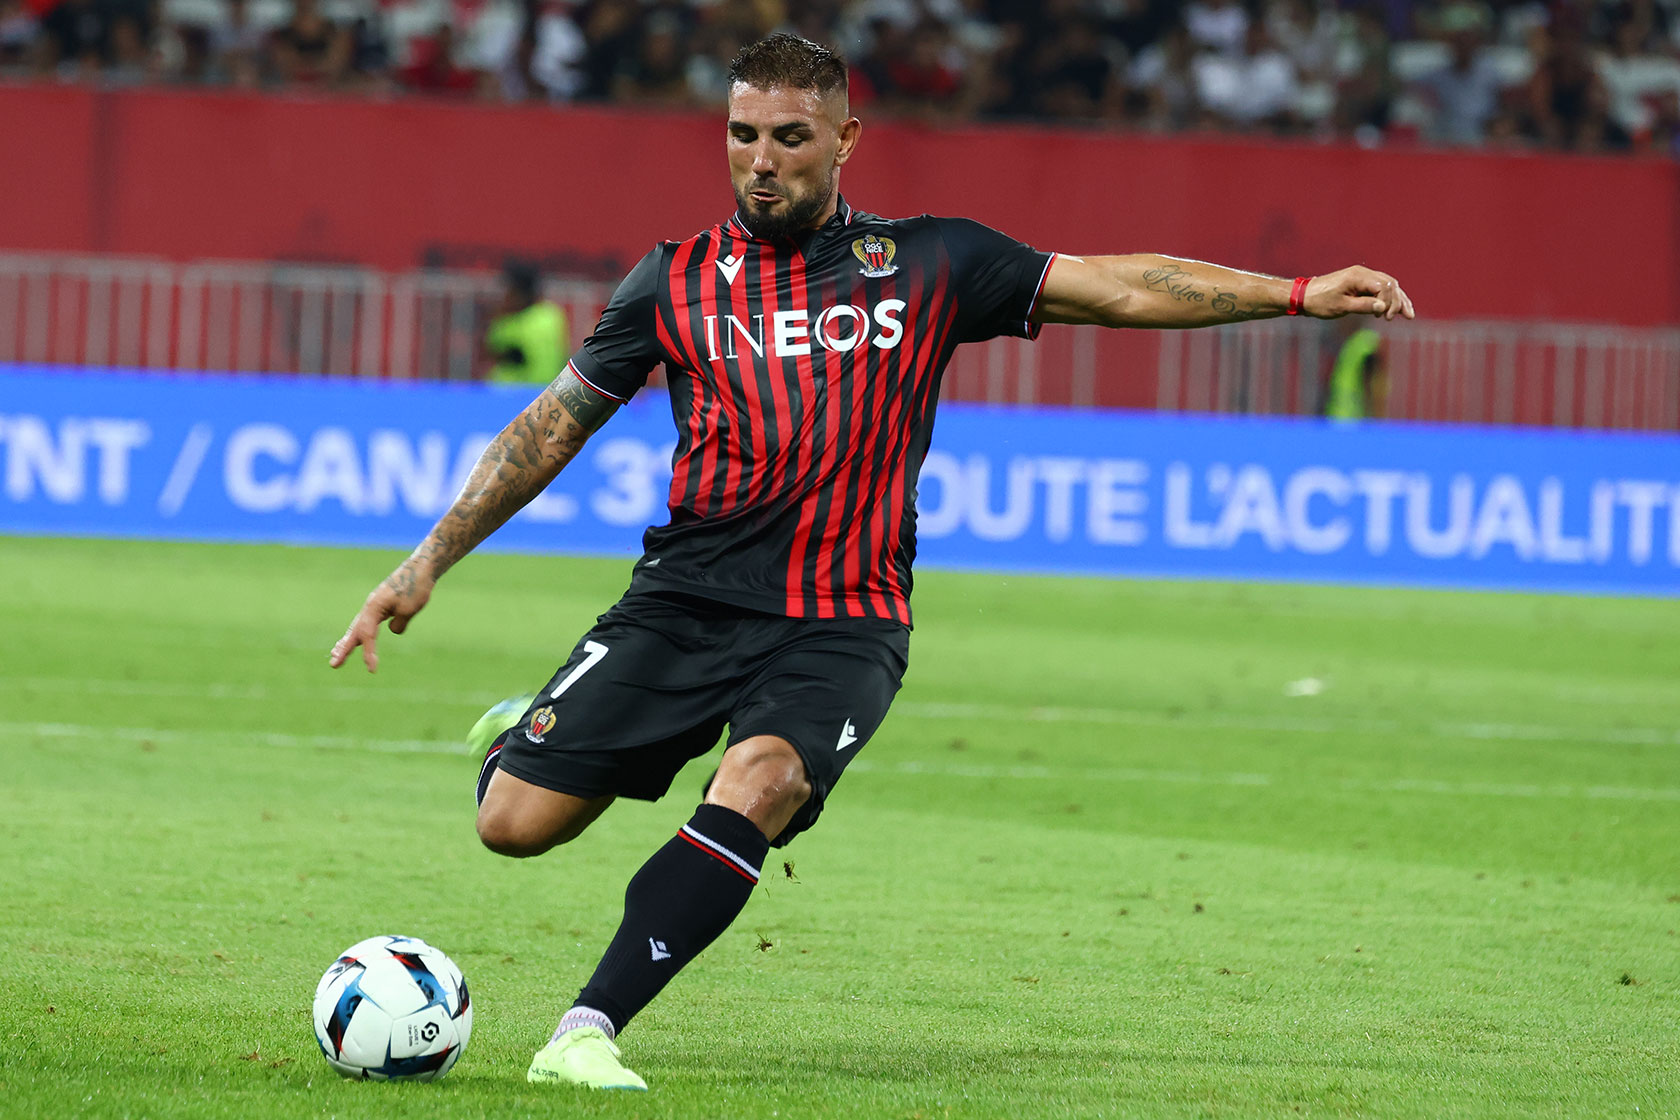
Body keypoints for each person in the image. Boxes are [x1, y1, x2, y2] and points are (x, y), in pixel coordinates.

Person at [329, 32, 1415, 1093]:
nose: (761, 159)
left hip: (844, 618)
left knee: (762, 779)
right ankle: (527, 732)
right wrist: (427, 562)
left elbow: (1119, 287)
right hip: (686, 600)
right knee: (512, 826)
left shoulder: (931, 262)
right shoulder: (673, 281)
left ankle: (585, 1029)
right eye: (743, 135)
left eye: (789, 137)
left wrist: (1297, 293)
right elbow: (551, 426)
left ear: (845, 138)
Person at [484, 261, 569, 385]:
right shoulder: (552, 314)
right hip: (550, 390)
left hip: (517, 391)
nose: (504, 296)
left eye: (508, 291)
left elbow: (494, 349)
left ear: (519, 294)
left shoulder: (510, 322)